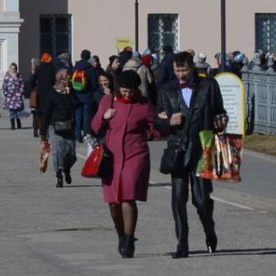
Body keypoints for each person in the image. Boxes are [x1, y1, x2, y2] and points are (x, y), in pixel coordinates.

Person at [155, 50, 229, 258]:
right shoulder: (166, 90)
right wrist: (168, 122)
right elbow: (157, 119)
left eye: (184, 70)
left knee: (201, 199)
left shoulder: (209, 86)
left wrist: (221, 120)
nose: (180, 75)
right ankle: (182, 244)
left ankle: (209, 231)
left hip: (203, 146)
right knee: (178, 199)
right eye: (177, 71)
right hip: (178, 148)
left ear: (192, 68)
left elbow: (219, 111)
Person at [90, 69, 158, 258]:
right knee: (113, 202)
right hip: (111, 156)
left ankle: (129, 240)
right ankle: (120, 233)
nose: (127, 94)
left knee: (128, 196)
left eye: (131, 91)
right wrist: (104, 117)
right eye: (124, 91)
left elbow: (155, 128)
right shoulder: (108, 101)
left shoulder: (144, 104)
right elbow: (94, 126)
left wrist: (156, 129)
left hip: (136, 153)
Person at [40, 68, 80, 187]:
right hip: (55, 127)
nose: (66, 82)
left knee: (71, 153)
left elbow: (76, 105)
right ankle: (59, 175)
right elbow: (46, 113)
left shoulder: (70, 92)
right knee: (58, 152)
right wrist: (43, 132)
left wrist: (70, 93)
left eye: (67, 80)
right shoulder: (52, 93)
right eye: (64, 79)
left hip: (69, 126)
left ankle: (66, 169)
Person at [70, 50, 97, 139]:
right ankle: (86, 134)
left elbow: (71, 81)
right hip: (87, 95)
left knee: (77, 116)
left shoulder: (75, 67)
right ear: (89, 57)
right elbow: (94, 84)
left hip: (76, 95)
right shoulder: (90, 69)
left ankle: (77, 135)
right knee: (86, 117)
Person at [30, 52, 58, 135]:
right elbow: (54, 81)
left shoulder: (39, 68)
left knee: (39, 113)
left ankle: (39, 130)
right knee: (49, 111)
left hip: (40, 93)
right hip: (50, 93)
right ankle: (48, 131)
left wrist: (34, 87)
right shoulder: (53, 68)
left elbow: (32, 80)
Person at [1, 62, 27, 129]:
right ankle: (12, 125)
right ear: (9, 69)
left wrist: (21, 92)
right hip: (10, 96)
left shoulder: (18, 76)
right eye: (12, 68)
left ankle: (19, 123)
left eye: (14, 68)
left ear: (16, 69)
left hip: (17, 96)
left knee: (18, 110)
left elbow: (22, 84)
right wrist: (6, 93)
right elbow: (4, 86)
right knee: (12, 111)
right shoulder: (7, 76)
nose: (13, 70)